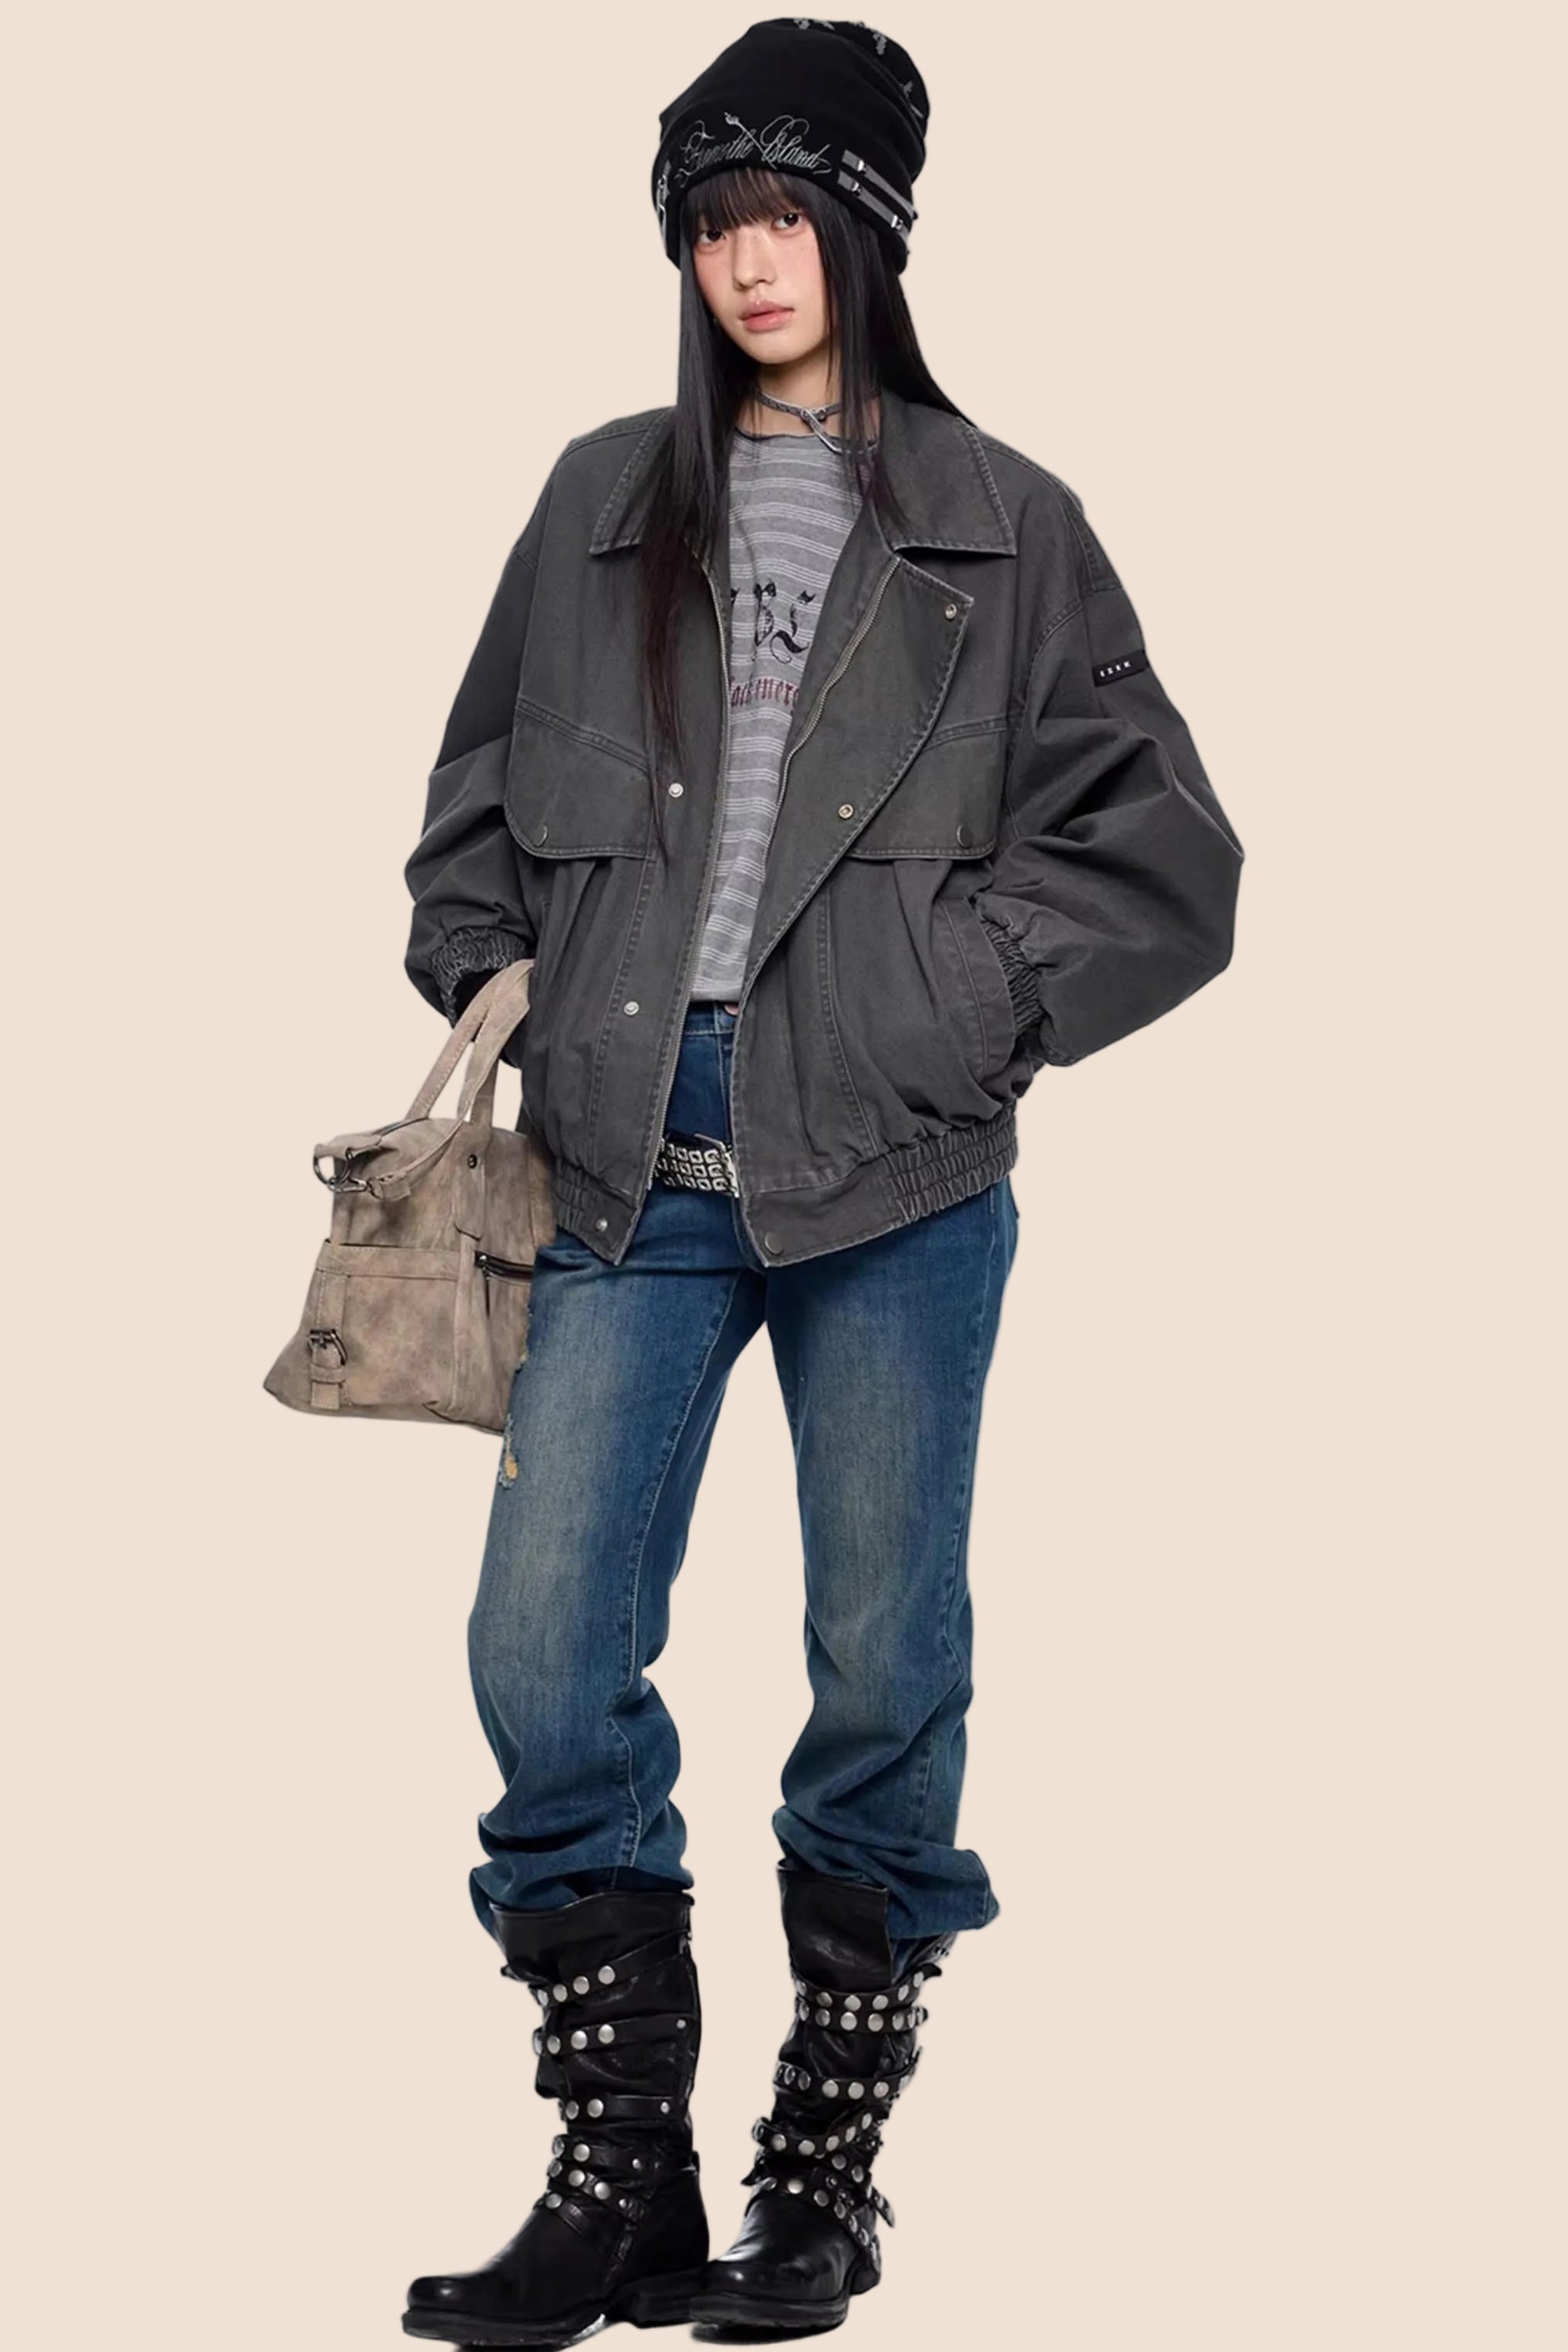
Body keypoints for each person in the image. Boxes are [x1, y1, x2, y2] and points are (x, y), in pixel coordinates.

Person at [397, 19, 1244, 2343]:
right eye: (712, 220)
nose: (750, 260)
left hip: (895, 1166)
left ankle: (824, 2174)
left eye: (788, 215)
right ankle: (621, 2174)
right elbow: (470, 806)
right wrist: (501, 974)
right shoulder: (598, 495)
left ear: (870, 234)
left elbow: (1165, 854)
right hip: (614, 1164)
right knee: (541, 1653)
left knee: (884, 1655)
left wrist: (957, 1004)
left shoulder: (1005, 519)